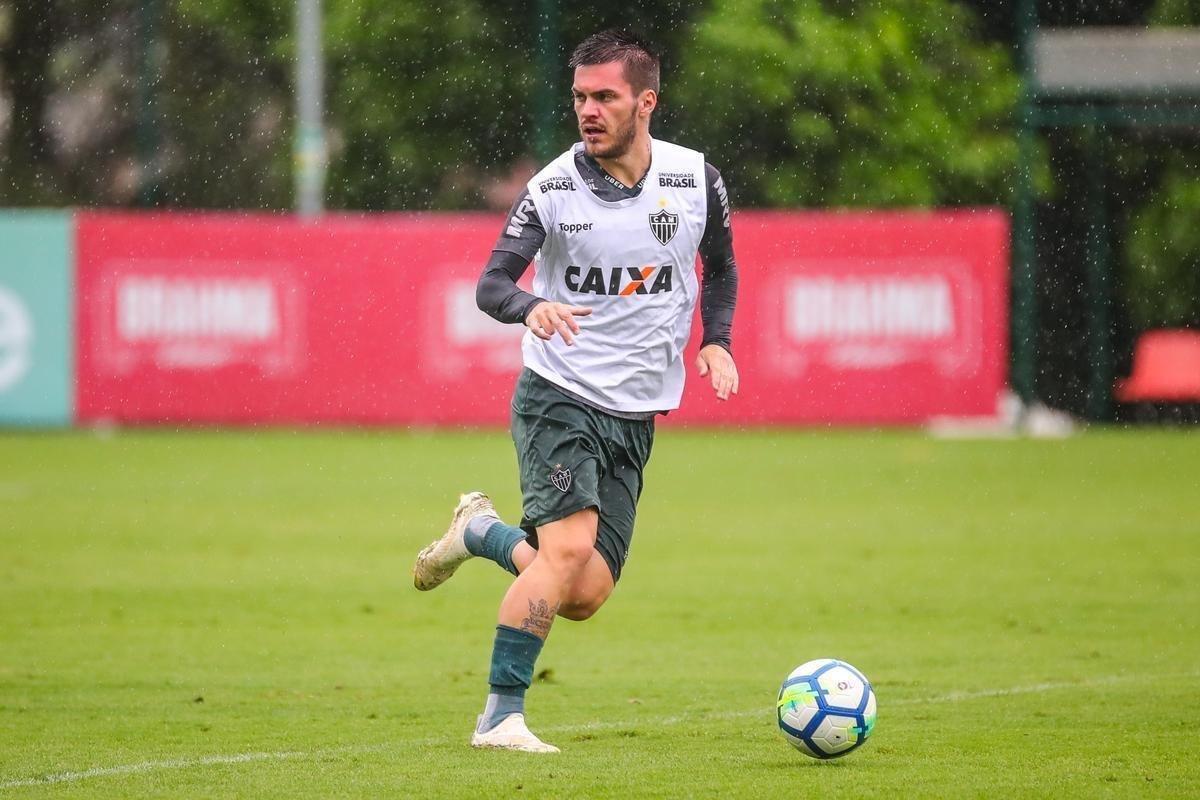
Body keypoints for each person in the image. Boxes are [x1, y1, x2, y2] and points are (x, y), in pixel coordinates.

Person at [412, 28, 740, 753]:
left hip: (635, 412)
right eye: (579, 97)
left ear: (645, 102)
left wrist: (716, 339)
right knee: (565, 554)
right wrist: (531, 306)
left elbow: (720, 267)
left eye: (605, 97)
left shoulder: (695, 180)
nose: (588, 111)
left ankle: (479, 532)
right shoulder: (553, 189)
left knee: (584, 593)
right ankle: (501, 717)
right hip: (558, 393)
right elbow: (492, 284)